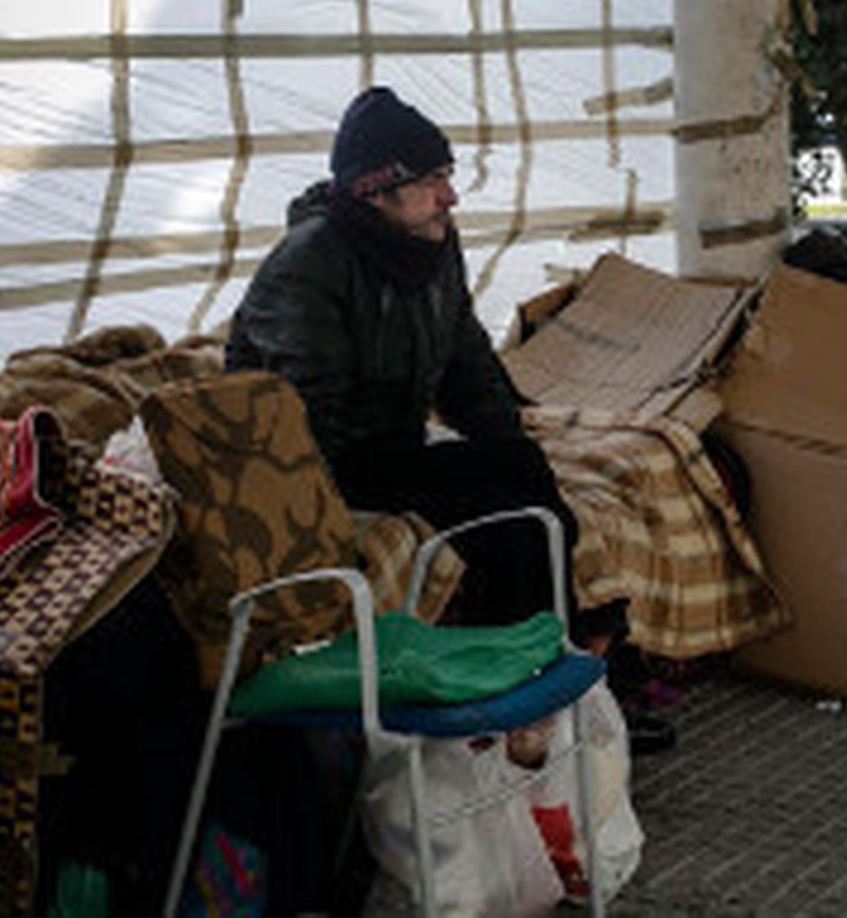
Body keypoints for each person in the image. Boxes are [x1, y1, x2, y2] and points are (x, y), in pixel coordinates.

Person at [225, 86, 621, 643]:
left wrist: (505, 441)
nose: (451, 196)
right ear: (376, 191)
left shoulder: (429, 245)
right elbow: (309, 420)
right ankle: (515, 667)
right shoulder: (308, 265)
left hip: (392, 444)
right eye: (432, 179)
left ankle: (542, 658)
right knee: (498, 513)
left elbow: (466, 359)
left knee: (519, 473)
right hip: (319, 464)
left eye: (447, 175)